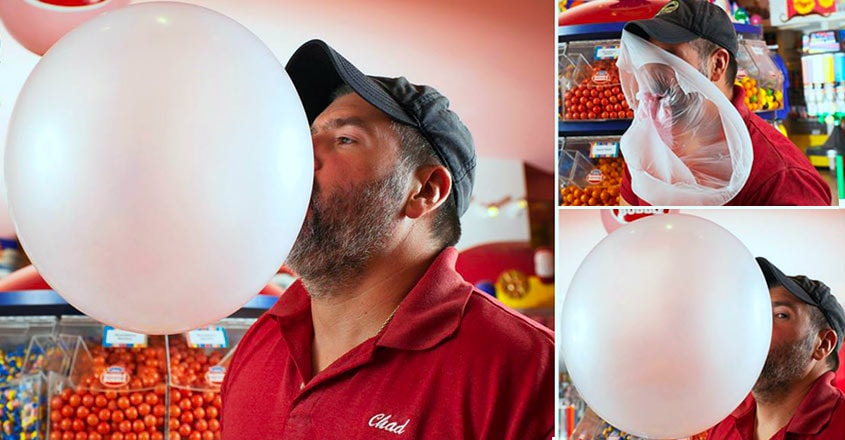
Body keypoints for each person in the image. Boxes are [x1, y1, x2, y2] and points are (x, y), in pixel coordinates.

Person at [219, 40, 555, 439]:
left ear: (425, 190)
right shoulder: (257, 344)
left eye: (344, 138)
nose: (299, 158)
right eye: (303, 138)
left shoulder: (531, 372)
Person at [619, 0, 831, 206]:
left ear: (717, 64)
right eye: (648, 56)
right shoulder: (646, 145)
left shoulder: (782, 177)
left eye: (668, 56)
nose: (650, 71)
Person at [707, 257, 845, 439]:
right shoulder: (722, 421)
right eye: (756, 314)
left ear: (823, 344)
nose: (755, 328)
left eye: (780, 315)